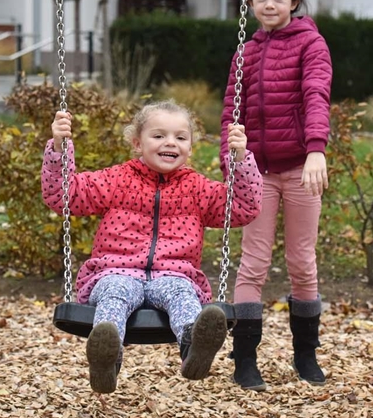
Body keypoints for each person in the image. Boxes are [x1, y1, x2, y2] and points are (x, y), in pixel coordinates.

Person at [42, 100, 262, 394]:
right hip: (115, 271)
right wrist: (59, 148)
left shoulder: (198, 189)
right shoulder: (116, 179)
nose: (170, 143)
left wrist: (241, 159)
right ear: (137, 142)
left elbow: (243, 208)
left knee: (181, 293)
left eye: (180, 137)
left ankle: (194, 348)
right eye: (158, 136)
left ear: (191, 147)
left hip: (174, 273)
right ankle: (107, 358)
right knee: (114, 292)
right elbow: (65, 195)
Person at [220, 0, 333, 392]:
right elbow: (232, 108)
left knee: (302, 262)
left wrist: (316, 150)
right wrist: (230, 162)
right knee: (253, 264)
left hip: (300, 169)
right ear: (252, 4)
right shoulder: (244, 52)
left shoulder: (312, 44)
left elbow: (315, 94)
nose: (270, 5)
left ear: (294, 2)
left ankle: (305, 353)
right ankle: (245, 359)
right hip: (257, 170)